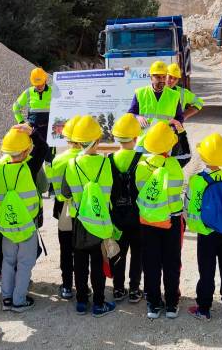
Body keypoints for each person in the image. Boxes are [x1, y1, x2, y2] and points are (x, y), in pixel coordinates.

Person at [61, 115, 117, 317]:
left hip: (79, 221)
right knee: (98, 263)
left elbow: (65, 193)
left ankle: (82, 302)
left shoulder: (71, 163)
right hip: (100, 221)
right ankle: (99, 303)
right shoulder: (105, 163)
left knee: (80, 263)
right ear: (98, 141)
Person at [185, 133, 222, 320]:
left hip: (206, 233)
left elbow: (187, 206)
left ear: (204, 157)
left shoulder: (196, 181)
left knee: (206, 270)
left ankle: (204, 308)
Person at [135, 122, 185, 319]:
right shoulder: (173, 165)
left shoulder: (141, 166)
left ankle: (153, 304)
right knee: (171, 262)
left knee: (151, 262)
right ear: (168, 145)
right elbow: (178, 188)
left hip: (148, 222)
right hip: (171, 221)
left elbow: (140, 190)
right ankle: (172, 304)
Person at [0, 127, 42, 313]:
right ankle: (19, 300)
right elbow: (43, 148)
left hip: (7, 225)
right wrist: (32, 132)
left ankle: (6, 298)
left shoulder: (0, 170)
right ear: (27, 150)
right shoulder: (29, 166)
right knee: (24, 263)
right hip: (27, 225)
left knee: (8, 261)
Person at [107, 113, 146, 303]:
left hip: (116, 215)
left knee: (118, 252)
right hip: (137, 215)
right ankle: (134, 289)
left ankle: (118, 289)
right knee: (137, 253)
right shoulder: (142, 159)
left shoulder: (108, 160)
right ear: (136, 137)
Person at [47, 115, 82, 300]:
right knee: (84, 250)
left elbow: (51, 185)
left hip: (64, 210)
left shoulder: (58, 160)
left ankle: (67, 285)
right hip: (85, 210)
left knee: (66, 249)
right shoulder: (92, 158)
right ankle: (84, 285)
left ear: (67, 138)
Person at [127, 61, 184, 153]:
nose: (161, 80)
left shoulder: (174, 95)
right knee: (139, 166)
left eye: (163, 77)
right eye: (157, 77)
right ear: (151, 77)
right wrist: (138, 117)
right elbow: (131, 113)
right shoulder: (140, 93)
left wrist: (173, 127)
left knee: (162, 167)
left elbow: (179, 118)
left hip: (164, 141)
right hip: (144, 141)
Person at [12, 68, 54, 164]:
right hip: (33, 131)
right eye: (36, 84)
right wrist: (21, 122)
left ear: (45, 80)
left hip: (49, 131)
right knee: (32, 159)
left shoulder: (53, 92)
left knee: (49, 159)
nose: (38, 86)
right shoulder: (28, 92)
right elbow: (16, 107)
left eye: (41, 84)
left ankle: (49, 178)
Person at [166, 63, 202, 166]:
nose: (171, 80)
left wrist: (185, 115)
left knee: (175, 159)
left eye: (175, 79)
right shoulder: (158, 91)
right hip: (159, 130)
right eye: (170, 77)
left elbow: (199, 102)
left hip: (175, 131)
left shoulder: (183, 93)